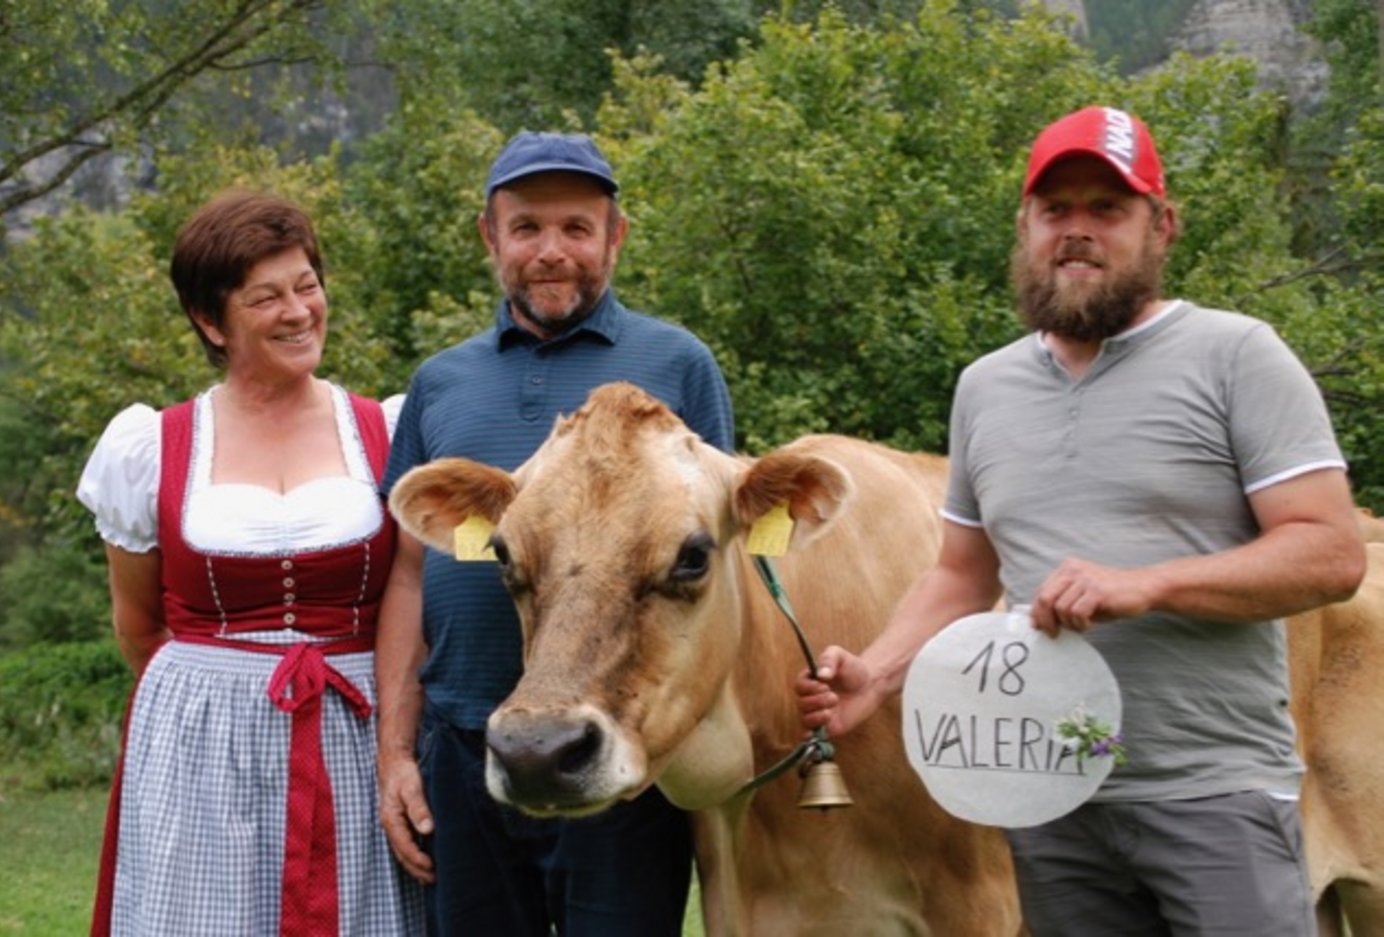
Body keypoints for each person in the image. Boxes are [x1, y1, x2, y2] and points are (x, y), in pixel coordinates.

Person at [795, 105, 1367, 936]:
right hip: (1050, 793)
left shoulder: (1238, 355)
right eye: (1056, 209)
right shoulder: (984, 388)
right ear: (1025, 226)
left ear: (1161, 225)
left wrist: (1149, 584)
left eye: (1109, 208)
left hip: (1213, 792)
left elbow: (1330, 553)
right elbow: (962, 573)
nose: (1078, 230)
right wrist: (874, 675)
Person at [375, 131, 734, 935]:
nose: (552, 251)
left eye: (577, 228)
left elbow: (722, 561)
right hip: (468, 748)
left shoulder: (678, 362)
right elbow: (405, 576)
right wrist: (397, 753)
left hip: (622, 754)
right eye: (528, 227)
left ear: (616, 236)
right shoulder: (441, 382)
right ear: (489, 236)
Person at [77, 191, 424, 936]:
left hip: (358, 729)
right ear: (211, 320)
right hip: (203, 746)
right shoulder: (150, 446)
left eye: (307, 285)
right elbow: (139, 628)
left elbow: (416, 590)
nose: (299, 311)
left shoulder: (389, 428)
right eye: (266, 296)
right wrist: (217, 709)